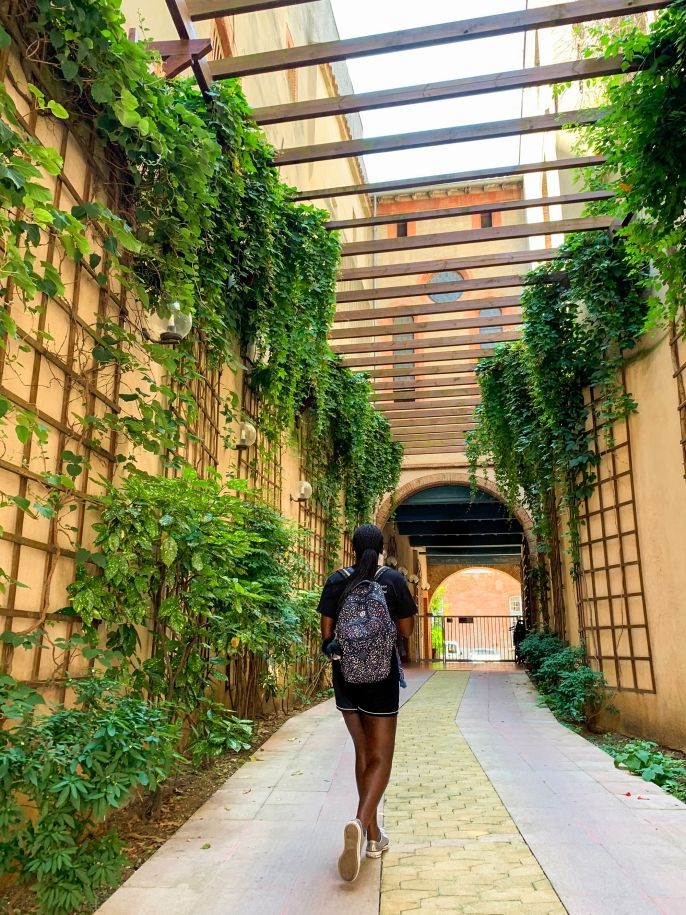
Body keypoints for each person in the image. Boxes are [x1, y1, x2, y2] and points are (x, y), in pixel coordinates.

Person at [318, 524, 417, 882]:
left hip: (345, 676)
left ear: (353, 547)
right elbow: (405, 631)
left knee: (363, 752)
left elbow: (326, 637)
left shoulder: (336, 580)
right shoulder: (391, 579)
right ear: (382, 548)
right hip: (381, 676)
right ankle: (361, 823)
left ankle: (373, 836)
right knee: (382, 756)